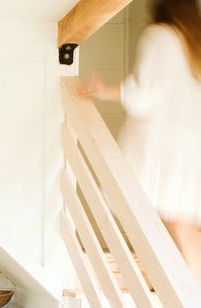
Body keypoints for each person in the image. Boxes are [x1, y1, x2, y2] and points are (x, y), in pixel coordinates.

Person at [84, 0, 201, 286]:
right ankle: (191, 304)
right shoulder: (194, 43)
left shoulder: (158, 36)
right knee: (183, 226)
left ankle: (182, 303)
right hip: (189, 147)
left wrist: (103, 90)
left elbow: (145, 92)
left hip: (158, 143)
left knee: (141, 214)